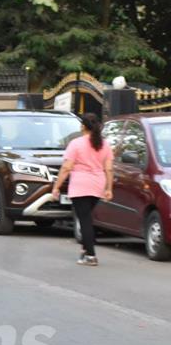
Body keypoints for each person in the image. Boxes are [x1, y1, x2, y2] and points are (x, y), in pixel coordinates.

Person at [52, 113, 113, 266]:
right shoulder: (104, 144)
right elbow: (109, 169)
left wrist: (56, 187)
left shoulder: (76, 143)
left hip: (80, 185)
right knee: (87, 217)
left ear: (83, 126)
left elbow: (66, 167)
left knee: (85, 220)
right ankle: (85, 251)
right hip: (97, 184)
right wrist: (109, 188)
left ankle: (91, 255)